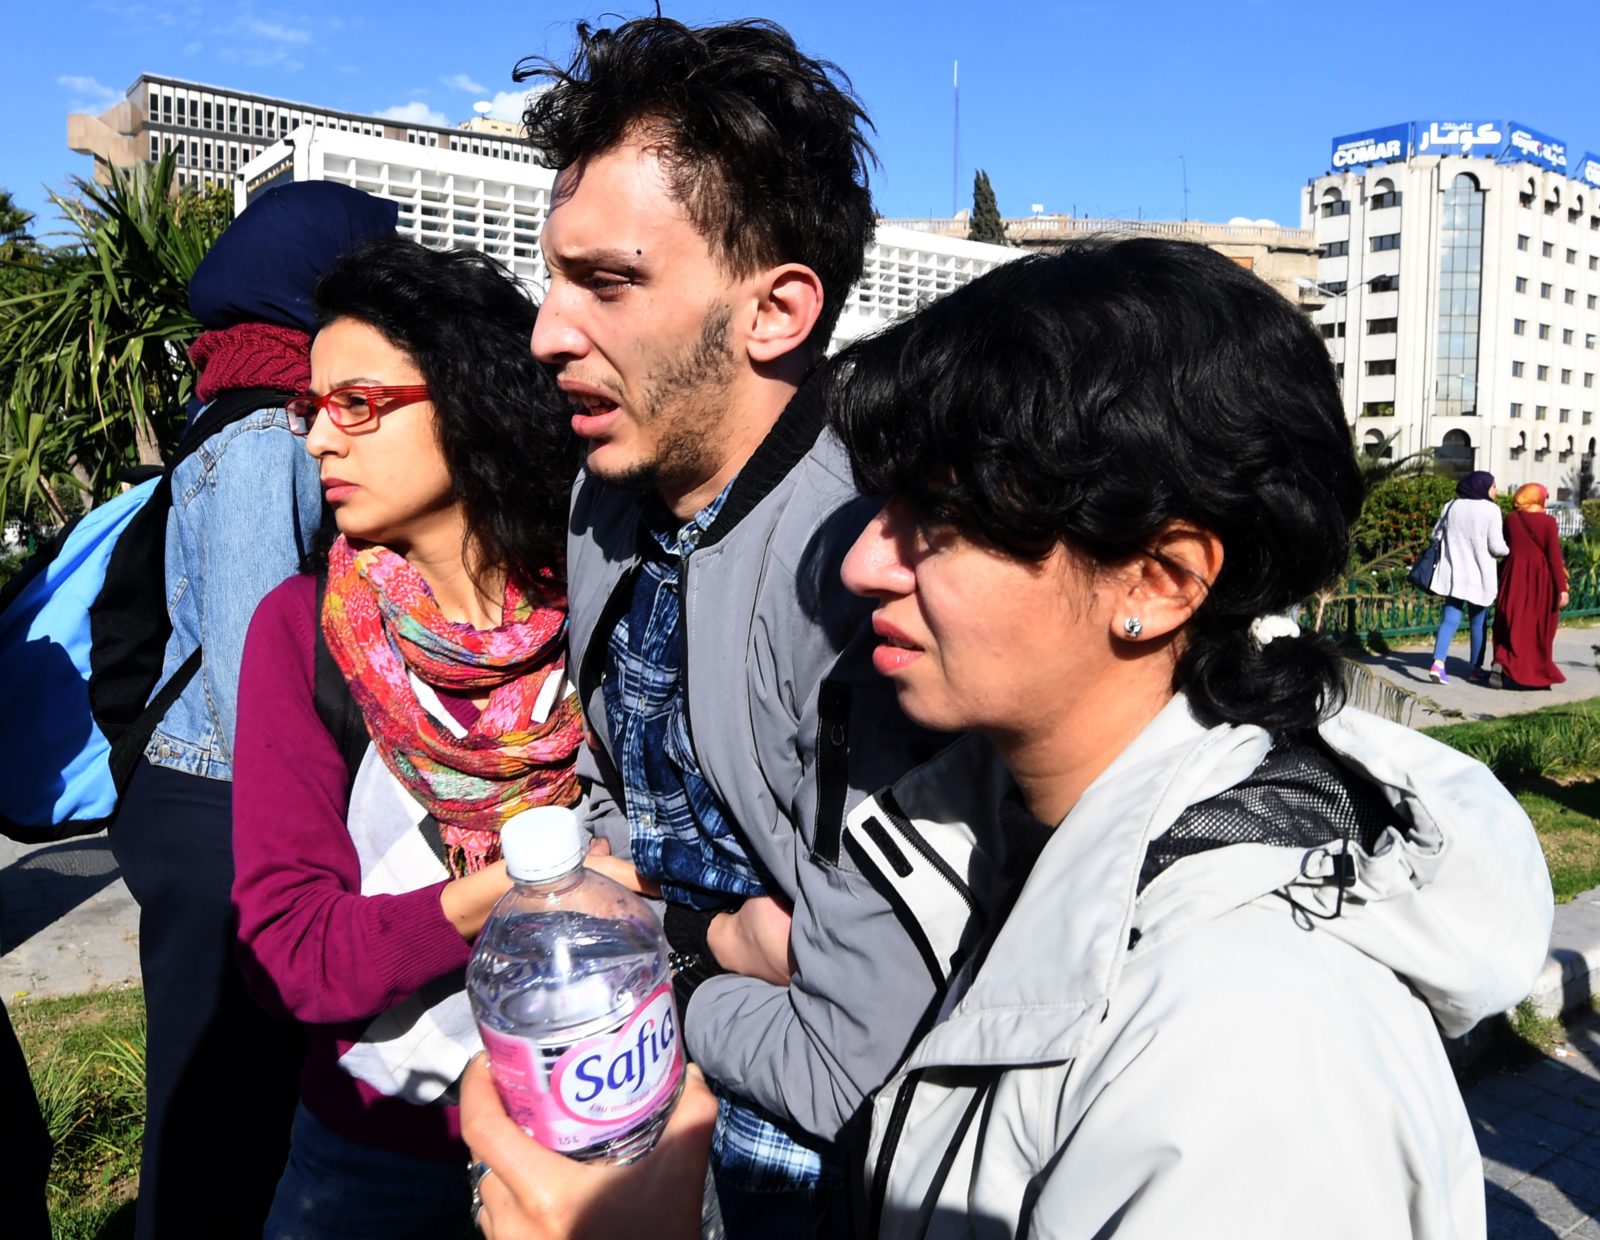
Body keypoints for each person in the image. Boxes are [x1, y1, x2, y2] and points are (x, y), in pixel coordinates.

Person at [461, 240, 1553, 1239]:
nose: (861, 565)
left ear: (1157, 580)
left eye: (938, 521)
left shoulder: (1249, 1049)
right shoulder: (993, 829)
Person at [519, 17, 960, 1235]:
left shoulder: (875, 572)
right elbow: (614, 807)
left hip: (823, 1175)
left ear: (776, 312)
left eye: (607, 282)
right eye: (554, 277)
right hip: (639, 1107)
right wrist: (723, 939)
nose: (551, 330)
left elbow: (846, 1047)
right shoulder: (606, 491)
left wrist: (653, 943)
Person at [230, 236, 582, 1239]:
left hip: (595, 1120)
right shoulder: (305, 630)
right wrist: (512, 886)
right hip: (376, 1143)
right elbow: (291, 948)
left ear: (468, 395)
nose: (318, 440)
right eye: (312, 407)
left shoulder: (606, 612)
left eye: (358, 404)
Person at [107, 181, 397, 1240]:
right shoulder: (266, 432)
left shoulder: (246, 404)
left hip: (213, 789)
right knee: (215, 1094)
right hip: (217, 797)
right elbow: (251, 664)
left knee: (233, 1086)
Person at [1425, 470, 1507, 685]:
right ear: (1482, 487)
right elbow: (1496, 546)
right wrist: (1508, 551)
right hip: (1479, 575)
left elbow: (1436, 535)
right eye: (1493, 486)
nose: (1496, 490)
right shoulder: (1491, 510)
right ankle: (1475, 668)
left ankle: (1438, 664)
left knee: (1450, 619)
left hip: (1453, 572)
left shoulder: (1451, 506)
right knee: (1478, 622)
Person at [1491, 483, 1569, 689]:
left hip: (1513, 574)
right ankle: (1534, 672)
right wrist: (1562, 587)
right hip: (1539, 578)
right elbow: (1553, 557)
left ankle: (1502, 662)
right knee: (1536, 625)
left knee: (1510, 619)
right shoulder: (1548, 522)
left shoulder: (1511, 519)